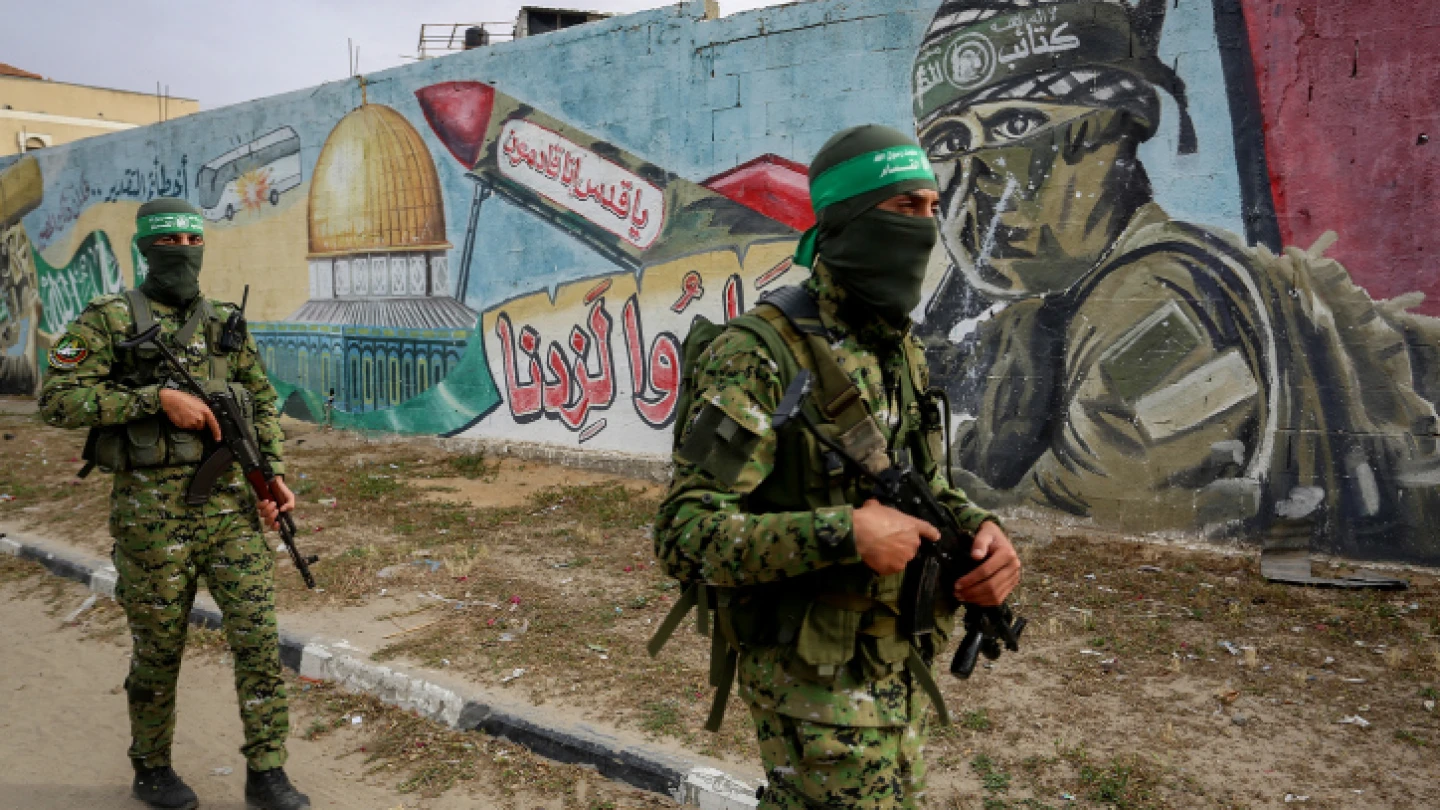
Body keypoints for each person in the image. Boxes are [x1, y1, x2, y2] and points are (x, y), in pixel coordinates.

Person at [910, 0, 1440, 558]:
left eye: (1017, 126)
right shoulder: (1047, 314)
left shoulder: (1160, 304)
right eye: (947, 143)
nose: (979, 180)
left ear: (1121, 123)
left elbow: (1090, 528)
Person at [654, 126, 1022, 808]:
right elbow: (685, 535)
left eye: (932, 208)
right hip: (809, 684)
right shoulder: (757, 355)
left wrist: (982, 530)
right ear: (848, 218)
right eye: (905, 207)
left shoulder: (897, 349)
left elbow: (926, 483)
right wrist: (843, 534)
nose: (925, 226)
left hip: (893, 665)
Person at [38, 198, 309, 810]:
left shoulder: (226, 321)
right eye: (170, 241)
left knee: (258, 642)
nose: (184, 251)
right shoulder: (107, 319)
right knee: (159, 650)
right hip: (151, 519)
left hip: (232, 511)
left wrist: (273, 476)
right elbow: (57, 399)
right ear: (146, 247)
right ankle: (152, 767)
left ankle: (267, 771)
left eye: (192, 240)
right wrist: (154, 400)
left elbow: (262, 403)